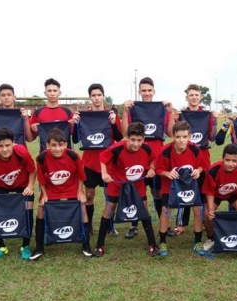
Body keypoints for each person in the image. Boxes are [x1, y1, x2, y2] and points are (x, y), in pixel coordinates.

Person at [94, 122, 159, 257]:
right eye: (133, 140)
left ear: (143, 139)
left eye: (139, 140)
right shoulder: (117, 148)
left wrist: (152, 168)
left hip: (137, 186)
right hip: (118, 185)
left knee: (145, 210)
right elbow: (102, 158)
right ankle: (100, 245)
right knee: (109, 210)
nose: (136, 144)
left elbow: (154, 159)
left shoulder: (147, 148)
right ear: (127, 138)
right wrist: (104, 174)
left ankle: (152, 244)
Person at [30, 128, 92, 260]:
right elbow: (41, 179)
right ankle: (39, 248)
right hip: (52, 191)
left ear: (65, 145)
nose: (57, 148)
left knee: (83, 208)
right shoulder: (41, 158)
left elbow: (81, 175)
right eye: (53, 145)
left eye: (60, 145)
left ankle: (86, 245)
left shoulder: (73, 156)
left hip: (71, 188)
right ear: (47, 145)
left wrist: (80, 192)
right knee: (41, 209)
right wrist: (44, 195)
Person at [0, 127, 36, 260]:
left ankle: (25, 246)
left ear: (13, 143)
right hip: (1, 184)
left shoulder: (22, 152)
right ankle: (0, 246)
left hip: (22, 184)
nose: (5, 149)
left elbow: (32, 170)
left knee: (28, 211)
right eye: (0, 146)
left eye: (7, 145)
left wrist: (30, 186)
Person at [122, 77, 174, 223]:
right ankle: (134, 225)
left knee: (157, 192)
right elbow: (125, 133)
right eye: (143, 90)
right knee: (136, 192)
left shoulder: (162, 108)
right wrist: (125, 112)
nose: (146, 93)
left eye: (149, 90)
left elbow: (171, 133)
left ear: (154, 91)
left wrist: (170, 112)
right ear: (139, 92)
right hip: (137, 157)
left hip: (157, 157)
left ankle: (162, 222)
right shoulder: (132, 108)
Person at [74, 84, 123, 237]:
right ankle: (88, 226)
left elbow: (120, 138)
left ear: (103, 96)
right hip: (89, 162)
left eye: (99, 95)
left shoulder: (111, 115)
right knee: (89, 195)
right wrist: (76, 123)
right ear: (90, 97)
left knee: (111, 196)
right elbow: (75, 140)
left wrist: (114, 123)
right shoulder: (83, 116)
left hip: (108, 163)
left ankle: (110, 224)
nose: (96, 98)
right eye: (93, 95)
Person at [171, 84, 219, 236]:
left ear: (201, 97)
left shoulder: (207, 114)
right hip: (184, 159)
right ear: (187, 96)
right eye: (191, 95)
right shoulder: (181, 114)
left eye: (196, 95)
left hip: (202, 159)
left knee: (203, 192)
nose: (194, 97)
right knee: (184, 191)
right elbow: (172, 133)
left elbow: (212, 137)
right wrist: (174, 118)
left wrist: (215, 120)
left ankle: (204, 221)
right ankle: (181, 224)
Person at [155, 121, 207, 257]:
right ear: (173, 137)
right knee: (166, 211)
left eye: (184, 137)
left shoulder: (195, 148)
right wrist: (167, 173)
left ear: (189, 136)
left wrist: (198, 171)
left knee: (197, 209)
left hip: (190, 185)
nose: (181, 140)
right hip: (170, 186)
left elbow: (203, 165)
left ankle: (197, 241)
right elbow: (158, 169)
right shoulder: (166, 151)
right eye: (178, 137)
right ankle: (162, 241)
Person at [202, 143, 237, 251]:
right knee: (207, 214)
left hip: (233, 193)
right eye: (227, 160)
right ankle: (211, 238)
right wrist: (211, 210)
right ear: (222, 158)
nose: (230, 164)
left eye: (234, 161)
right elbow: (209, 192)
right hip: (216, 194)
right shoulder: (213, 170)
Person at [27, 78, 78, 151]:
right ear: (45, 93)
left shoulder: (67, 112)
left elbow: (75, 138)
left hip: (65, 156)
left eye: (55, 91)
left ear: (59, 92)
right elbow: (30, 139)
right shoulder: (37, 113)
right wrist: (32, 128)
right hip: (45, 156)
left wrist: (75, 125)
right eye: (49, 91)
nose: (52, 94)